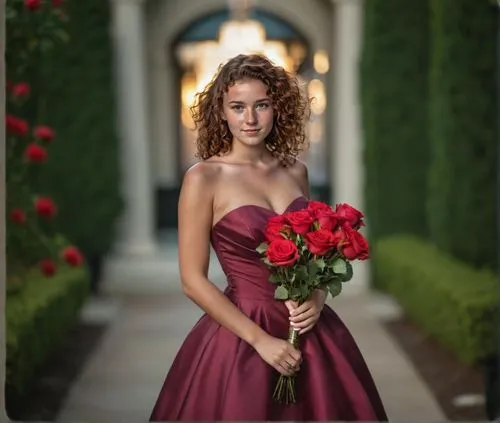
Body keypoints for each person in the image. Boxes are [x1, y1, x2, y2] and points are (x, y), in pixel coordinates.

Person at [149, 53, 388, 421]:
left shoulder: (296, 170)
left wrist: (319, 297)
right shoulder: (203, 178)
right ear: (221, 111)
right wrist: (261, 341)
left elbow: (314, 254)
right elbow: (192, 280)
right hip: (245, 331)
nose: (250, 118)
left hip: (308, 328)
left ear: (277, 108)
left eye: (261, 105)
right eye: (238, 107)